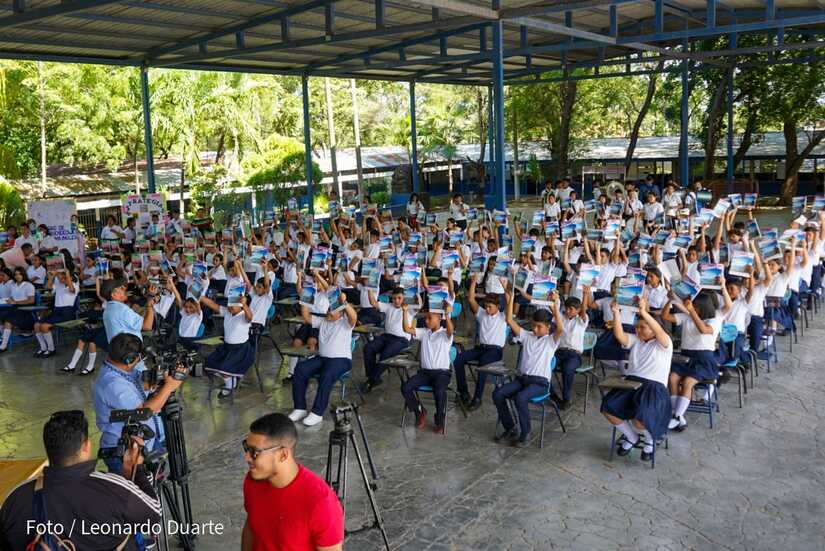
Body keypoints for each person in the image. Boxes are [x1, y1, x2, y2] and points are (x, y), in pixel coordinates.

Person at [0, 409, 161, 551]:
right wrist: (137, 470)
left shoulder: (16, 498)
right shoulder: (114, 488)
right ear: (86, 446)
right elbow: (153, 517)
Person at [241, 413, 343, 551]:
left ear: (283, 454)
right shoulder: (253, 481)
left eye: (254, 452)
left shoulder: (321, 502)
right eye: (246, 448)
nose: (247, 457)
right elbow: (251, 526)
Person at [93, 332, 183, 474]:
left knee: (150, 482)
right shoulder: (112, 384)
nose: (141, 361)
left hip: (141, 443)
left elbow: (143, 383)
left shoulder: (120, 370)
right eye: (139, 358)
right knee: (133, 493)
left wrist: (159, 377)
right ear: (128, 360)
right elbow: (143, 412)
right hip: (124, 452)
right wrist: (169, 386)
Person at [600, 297, 673, 461]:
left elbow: (659, 331)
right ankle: (632, 437)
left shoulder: (664, 343)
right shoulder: (636, 341)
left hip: (654, 389)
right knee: (608, 408)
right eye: (637, 327)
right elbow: (619, 335)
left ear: (654, 329)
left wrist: (644, 313)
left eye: (643, 327)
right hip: (631, 384)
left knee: (640, 419)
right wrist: (616, 313)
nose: (638, 330)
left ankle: (649, 440)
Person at [494, 284, 563, 447]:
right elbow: (510, 320)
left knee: (520, 398)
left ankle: (525, 433)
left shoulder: (551, 341)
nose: (535, 328)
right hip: (523, 380)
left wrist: (555, 305)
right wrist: (509, 298)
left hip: (540, 384)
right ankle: (511, 427)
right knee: (498, 394)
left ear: (548, 327)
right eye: (533, 325)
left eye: (539, 326)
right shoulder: (527, 336)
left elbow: (560, 328)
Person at [289, 291, 357, 427]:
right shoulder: (323, 321)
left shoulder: (345, 324)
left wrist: (344, 303)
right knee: (301, 369)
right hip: (323, 359)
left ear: (341, 313)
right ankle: (300, 408)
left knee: (327, 375)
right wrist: (305, 301)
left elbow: (353, 317)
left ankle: (317, 412)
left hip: (341, 360)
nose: (329, 312)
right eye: (329, 309)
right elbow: (307, 317)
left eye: (333, 310)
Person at [662, 290, 725, 432]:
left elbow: (703, 330)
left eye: (696, 307)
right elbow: (665, 316)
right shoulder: (687, 316)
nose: (692, 308)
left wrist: (691, 312)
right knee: (672, 378)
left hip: (704, 359)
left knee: (688, 382)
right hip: (686, 357)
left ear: (703, 308)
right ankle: (676, 415)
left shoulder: (713, 320)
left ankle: (677, 416)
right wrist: (670, 301)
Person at [400, 299, 454, 433]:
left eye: (430, 318)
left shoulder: (445, 334)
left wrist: (447, 315)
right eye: (426, 318)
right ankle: (419, 410)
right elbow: (406, 329)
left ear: (439, 319)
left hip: (442, 373)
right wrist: (405, 312)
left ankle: (440, 417)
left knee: (439, 389)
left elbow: (450, 330)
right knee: (406, 387)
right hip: (424, 373)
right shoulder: (424, 332)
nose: (426, 321)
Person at [453, 279, 505, 410]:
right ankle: (463, 392)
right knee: (458, 359)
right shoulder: (482, 314)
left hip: (495, 351)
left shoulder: (503, 317)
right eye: (486, 306)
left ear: (498, 307)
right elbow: (471, 299)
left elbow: (510, 303)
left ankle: (477, 398)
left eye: (490, 307)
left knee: (483, 365)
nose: (487, 309)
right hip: (481, 348)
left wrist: (506, 288)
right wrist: (474, 281)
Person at [200, 293, 255, 397]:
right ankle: (230, 380)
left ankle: (229, 386)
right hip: (226, 348)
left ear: (240, 306)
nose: (229, 307)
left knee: (224, 367)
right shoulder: (227, 313)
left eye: (233, 305)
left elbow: (250, 317)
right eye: (229, 305)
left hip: (240, 350)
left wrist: (245, 305)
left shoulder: (244, 315)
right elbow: (213, 304)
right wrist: (201, 297)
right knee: (210, 362)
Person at [360, 287, 411, 392]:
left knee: (386, 353)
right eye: (394, 298)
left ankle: (371, 379)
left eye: (399, 298)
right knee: (368, 348)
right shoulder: (389, 306)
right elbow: (373, 303)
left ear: (404, 298)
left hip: (401, 339)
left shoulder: (410, 308)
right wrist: (370, 289)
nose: (396, 301)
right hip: (386, 336)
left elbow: (419, 301)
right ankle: (374, 378)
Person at [553, 293, 590, 410]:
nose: (568, 311)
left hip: (574, 355)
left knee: (568, 369)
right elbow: (554, 310)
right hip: (559, 352)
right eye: (566, 308)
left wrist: (585, 294)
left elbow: (584, 311)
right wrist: (555, 299)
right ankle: (552, 396)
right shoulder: (562, 318)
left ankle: (566, 398)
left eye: (571, 309)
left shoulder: (581, 320)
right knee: (545, 365)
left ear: (578, 310)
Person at [33, 268, 79, 357]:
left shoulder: (74, 286)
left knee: (44, 326)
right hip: (57, 311)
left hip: (67, 313)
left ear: (70, 278)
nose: (60, 279)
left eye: (63, 277)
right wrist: (52, 276)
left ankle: (51, 349)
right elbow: (47, 287)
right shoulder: (59, 285)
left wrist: (67, 275)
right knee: (36, 325)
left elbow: (71, 289)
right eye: (60, 277)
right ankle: (43, 348)